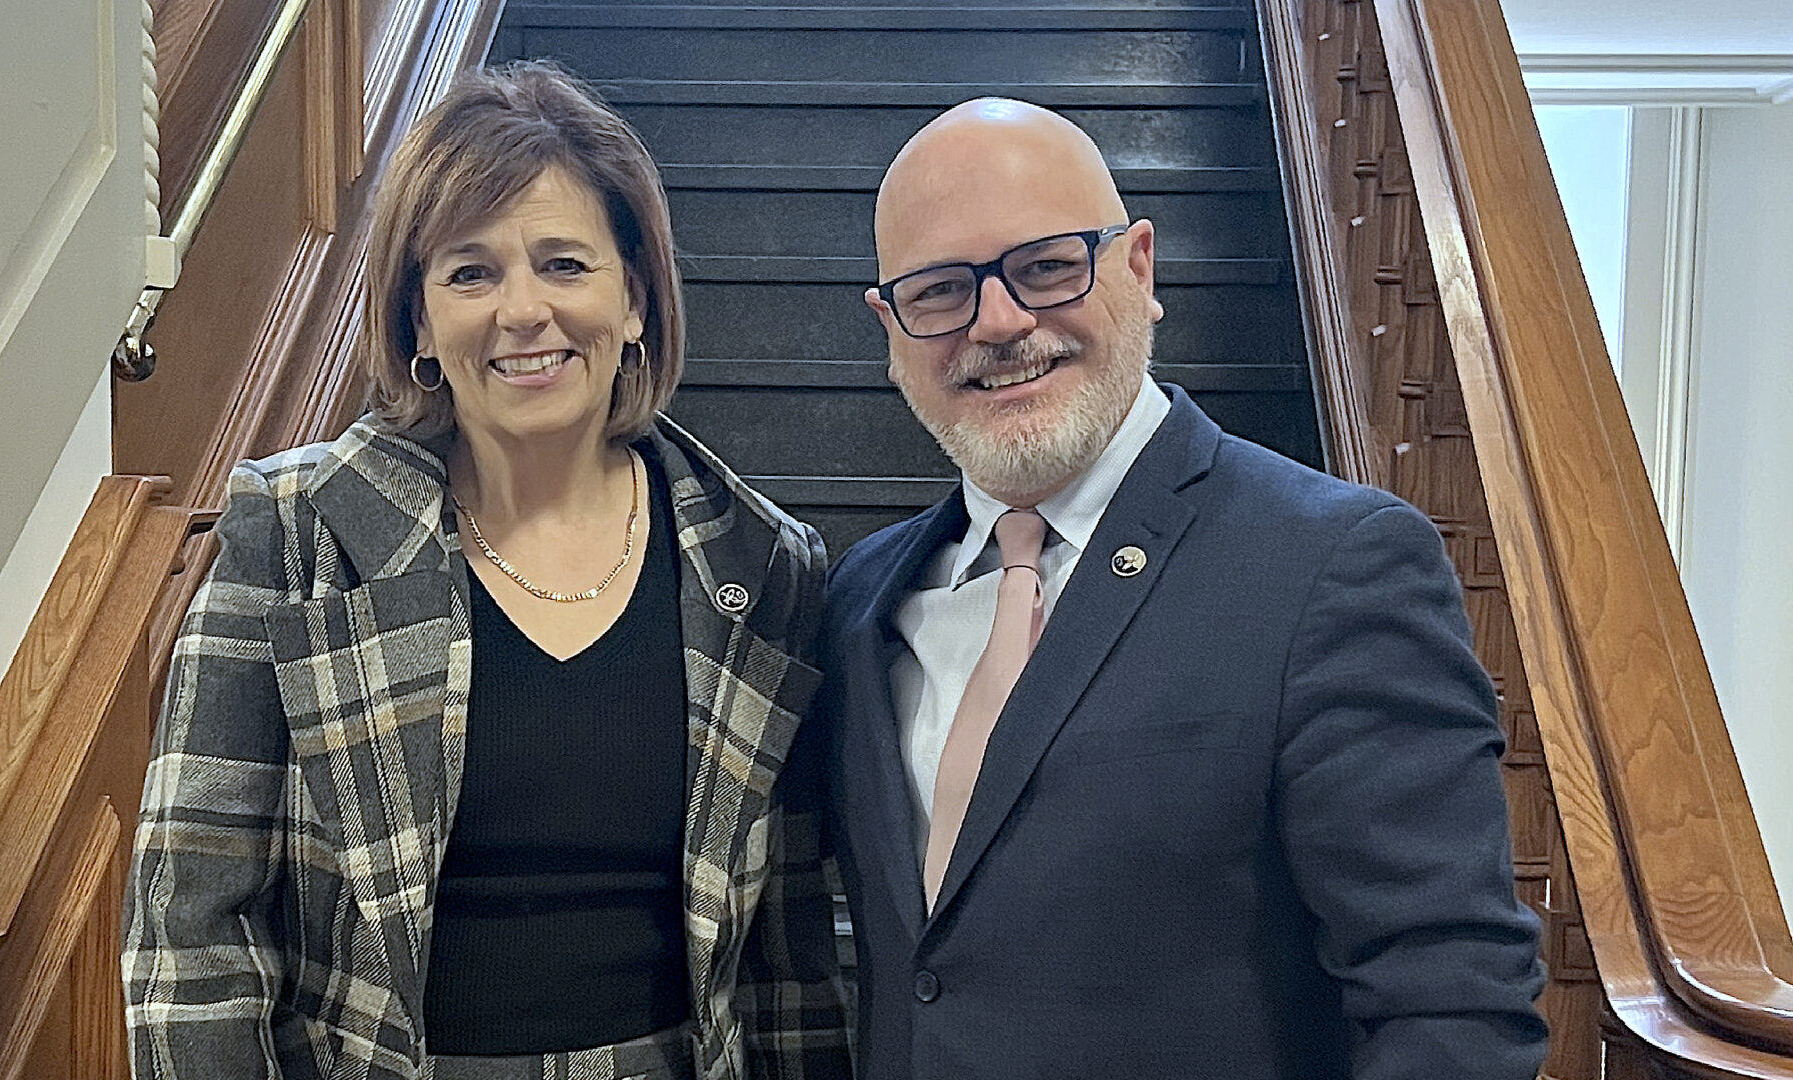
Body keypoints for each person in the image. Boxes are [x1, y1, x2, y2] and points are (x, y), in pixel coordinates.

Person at [122, 63, 849, 1080]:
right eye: (471, 273)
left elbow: (791, 954)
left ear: (634, 298)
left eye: (564, 264)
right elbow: (189, 927)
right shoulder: (292, 536)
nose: (523, 312)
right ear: (420, 321)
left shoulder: (761, 564)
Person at [816, 97, 1548, 1079]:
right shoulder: (860, 602)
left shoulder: (1335, 568)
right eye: (942, 290)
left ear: (1139, 267)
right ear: (890, 328)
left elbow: (1451, 1003)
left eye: (1046, 266)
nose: (999, 321)